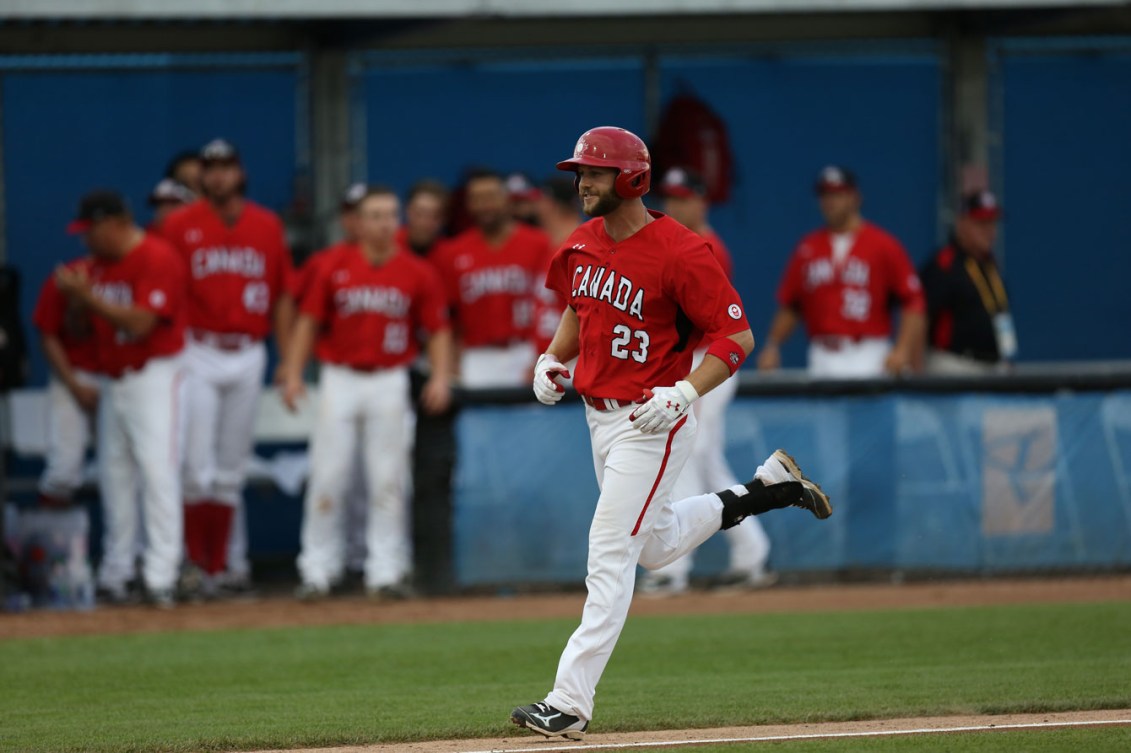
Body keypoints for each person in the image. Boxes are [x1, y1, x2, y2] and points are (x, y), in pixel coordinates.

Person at [510, 127, 831, 740]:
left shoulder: (683, 251)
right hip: (597, 414)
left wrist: (684, 392)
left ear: (631, 178)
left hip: (649, 421)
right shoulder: (581, 242)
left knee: (609, 553)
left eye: (594, 173)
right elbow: (581, 309)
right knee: (652, 547)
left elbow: (736, 339)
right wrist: (552, 360)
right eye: (580, 173)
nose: (581, 183)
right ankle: (767, 489)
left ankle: (568, 701)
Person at [280, 186, 452, 599]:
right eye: (374, 215)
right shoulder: (334, 264)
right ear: (358, 221)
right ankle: (318, 570)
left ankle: (385, 571)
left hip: (390, 379)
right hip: (340, 376)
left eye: (389, 215)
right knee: (329, 475)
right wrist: (291, 372)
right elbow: (307, 321)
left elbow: (438, 329)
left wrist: (441, 375)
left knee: (388, 479)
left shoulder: (416, 270)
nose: (382, 223)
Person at [159, 138, 294, 597]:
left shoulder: (266, 224)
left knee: (229, 471)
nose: (218, 176)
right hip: (198, 349)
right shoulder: (179, 224)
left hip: (249, 351)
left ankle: (216, 570)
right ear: (199, 176)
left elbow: (281, 294)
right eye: (209, 168)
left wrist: (287, 360)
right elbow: (168, 291)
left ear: (239, 172)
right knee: (195, 469)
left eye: (225, 167)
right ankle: (197, 565)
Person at [638, 167, 774, 595]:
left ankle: (675, 566)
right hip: (688, 362)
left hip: (708, 361)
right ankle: (749, 552)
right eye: (671, 197)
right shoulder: (672, 241)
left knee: (687, 452)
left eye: (684, 198)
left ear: (702, 202)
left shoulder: (706, 246)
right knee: (703, 457)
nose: (675, 205)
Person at [55, 190, 186, 608]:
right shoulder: (97, 267)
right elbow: (78, 332)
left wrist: (89, 297)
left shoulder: (157, 256)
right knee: (114, 477)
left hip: (155, 374)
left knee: (158, 472)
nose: (85, 240)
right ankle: (118, 570)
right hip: (115, 380)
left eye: (90, 230)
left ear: (113, 223)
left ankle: (162, 574)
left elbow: (143, 322)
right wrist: (78, 301)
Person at [756, 166, 925, 378]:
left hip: (868, 352)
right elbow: (791, 304)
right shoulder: (808, 248)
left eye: (837, 194)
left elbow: (913, 302)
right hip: (823, 353)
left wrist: (903, 349)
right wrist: (772, 345)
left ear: (855, 197)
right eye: (825, 194)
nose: (830, 201)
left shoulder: (883, 245)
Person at [430, 168, 553, 387]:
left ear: (506, 199)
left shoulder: (539, 243)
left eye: (491, 197)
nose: (485, 205)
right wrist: (451, 361)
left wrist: (544, 354)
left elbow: (552, 306)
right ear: (468, 205)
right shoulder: (453, 252)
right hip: (478, 356)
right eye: (477, 199)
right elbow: (448, 316)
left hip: (526, 350)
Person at [919, 190, 1016, 375]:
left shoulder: (989, 264)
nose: (989, 231)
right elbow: (918, 317)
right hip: (955, 366)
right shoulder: (944, 264)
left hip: (994, 365)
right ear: (961, 224)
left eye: (992, 223)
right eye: (981, 223)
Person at [31, 254, 99, 508]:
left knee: (126, 470)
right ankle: (52, 542)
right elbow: (48, 334)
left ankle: (135, 546)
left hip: (121, 377)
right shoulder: (68, 276)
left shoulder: (138, 272)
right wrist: (75, 386)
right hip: (73, 373)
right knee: (64, 470)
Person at [397, 179, 449, 257]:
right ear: (407, 211)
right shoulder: (387, 245)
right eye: (419, 214)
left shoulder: (451, 255)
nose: (424, 223)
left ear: (443, 219)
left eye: (434, 216)